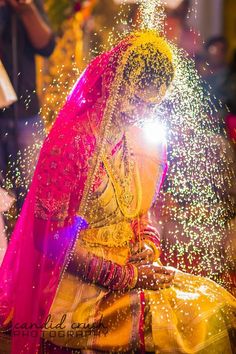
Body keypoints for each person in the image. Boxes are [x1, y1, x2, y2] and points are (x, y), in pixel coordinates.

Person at [0, 30, 235, 354]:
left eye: (149, 104)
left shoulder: (135, 137)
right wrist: (128, 277)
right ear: (112, 82)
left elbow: (138, 209)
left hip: (127, 268)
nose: (138, 111)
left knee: (218, 303)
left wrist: (148, 243)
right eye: (134, 99)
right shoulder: (73, 145)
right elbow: (50, 240)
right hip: (72, 287)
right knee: (191, 321)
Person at [0, 0, 55, 211]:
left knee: (35, 198)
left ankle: (29, 242)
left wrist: (27, 9)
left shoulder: (27, 4)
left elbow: (46, 46)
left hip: (26, 113)